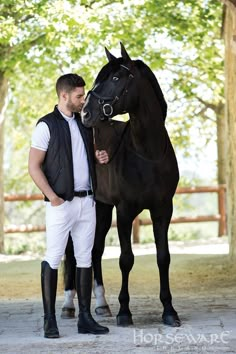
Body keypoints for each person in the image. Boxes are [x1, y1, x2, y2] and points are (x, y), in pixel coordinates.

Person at [28, 73, 109, 338]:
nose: (83, 100)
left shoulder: (85, 124)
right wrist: (51, 196)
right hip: (60, 204)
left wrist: (99, 156)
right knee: (53, 258)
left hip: (88, 202)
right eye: (79, 96)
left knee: (85, 258)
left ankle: (85, 318)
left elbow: (87, 156)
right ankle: (49, 320)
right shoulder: (46, 126)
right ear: (64, 96)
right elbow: (33, 166)